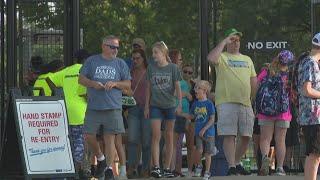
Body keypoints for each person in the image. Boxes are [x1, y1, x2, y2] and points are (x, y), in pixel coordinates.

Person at [78, 35, 131, 180]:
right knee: (89, 135)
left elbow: (128, 84)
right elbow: (81, 79)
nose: (115, 50)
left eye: (117, 47)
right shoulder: (92, 61)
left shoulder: (120, 63)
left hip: (113, 107)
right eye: (112, 47)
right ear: (103, 46)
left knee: (110, 140)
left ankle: (108, 170)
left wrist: (115, 84)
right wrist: (93, 84)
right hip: (94, 107)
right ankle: (101, 159)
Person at [207, 28, 257, 175]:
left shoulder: (247, 59)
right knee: (229, 135)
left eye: (237, 40)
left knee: (247, 136)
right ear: (227, 41)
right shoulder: (222, 56)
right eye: (232, 40)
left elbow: (253, 80)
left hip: (245, 103)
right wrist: (223, 42)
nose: (235, 43)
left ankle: (235, 162)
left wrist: (252, 98)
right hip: (226, 101)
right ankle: (231, 166)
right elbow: (211, 58)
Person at [46, 49, 90, 178]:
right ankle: (75, 173)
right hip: (81, 112)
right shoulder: (87, 71)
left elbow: (49, 78)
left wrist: (58, 92)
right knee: (79, 144)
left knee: (68, 143)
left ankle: (67, 171)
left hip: (64, 111)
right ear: (86, 60)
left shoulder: (67, 71)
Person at [144, 41, 182, 178]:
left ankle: (167, 168)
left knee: (169, 136)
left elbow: (177, 87)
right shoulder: (151, 68)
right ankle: (156, 167)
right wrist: (147, 106)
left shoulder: (173, 68)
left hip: (170, 105)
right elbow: (148, 88)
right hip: (155, 105)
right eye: (153, 52)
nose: (154, 55)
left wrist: (179, 104)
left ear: (164, 53)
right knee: (156, 135)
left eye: (156, 52)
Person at [256, 50, 294, 176]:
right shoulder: (289, 75)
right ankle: (280, 168)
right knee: (280, 140)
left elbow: (256, 86)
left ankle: (265, 158)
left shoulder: (267, 70)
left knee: (265, 138)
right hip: (283, 112)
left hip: (265, 111)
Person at [297, 32, 320, 180]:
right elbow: (306, 89)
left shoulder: (308, 62)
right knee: (314, 155)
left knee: (316, 154)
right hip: (313, 117)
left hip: (313, 117)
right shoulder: (310, 62)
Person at [125, 49, 151, 178]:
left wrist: (147, 106)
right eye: (133, 58)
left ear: (143, 58)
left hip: (147, 108)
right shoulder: (130, 72)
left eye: (138, 58)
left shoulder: (149, 71)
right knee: (132, 139)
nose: (135, 61)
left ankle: (146, 168)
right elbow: (126, 89)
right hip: (133, 108)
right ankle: (132, 167)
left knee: (146, 141)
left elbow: (149, 90)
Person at [187, 80, 216, 180]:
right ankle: (199, 166)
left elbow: (212, 119)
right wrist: (181, 114)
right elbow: (192, 116)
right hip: (198, 132)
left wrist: (204, 129)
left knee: (208, 153)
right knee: (198, 150)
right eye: (195, 88)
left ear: (204, 91)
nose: (195, 90)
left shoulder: (209, 104)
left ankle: (207, 171)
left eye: (198, 88)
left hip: (209, 133)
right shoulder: (195, 104)